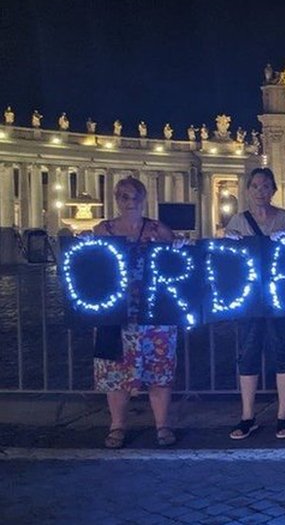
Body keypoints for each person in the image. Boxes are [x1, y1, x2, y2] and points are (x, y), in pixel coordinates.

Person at [92, 177, 180, 449]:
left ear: (144, 199)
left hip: (154, 310)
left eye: (135, 197)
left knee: (159, 370)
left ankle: (162, 425)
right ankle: (117, 425)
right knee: (116, 373)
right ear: (116, 200)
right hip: (115, 313)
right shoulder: (102, 230)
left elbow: (177, 256)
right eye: (124, 197)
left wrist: (177, 245)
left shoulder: (158, 229)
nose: (130, 202)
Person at [225, 168, 285, 441]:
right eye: (256, 186)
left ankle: (283, 415)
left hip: (280, 298)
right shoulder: (237, 222)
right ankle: (247, 415)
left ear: (274, 190)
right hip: (249, 298)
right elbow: (228, 263)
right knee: (247, 353)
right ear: (248, 190)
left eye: (266, 186)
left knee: (282, 351)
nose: (261, 191)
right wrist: (230, 244)